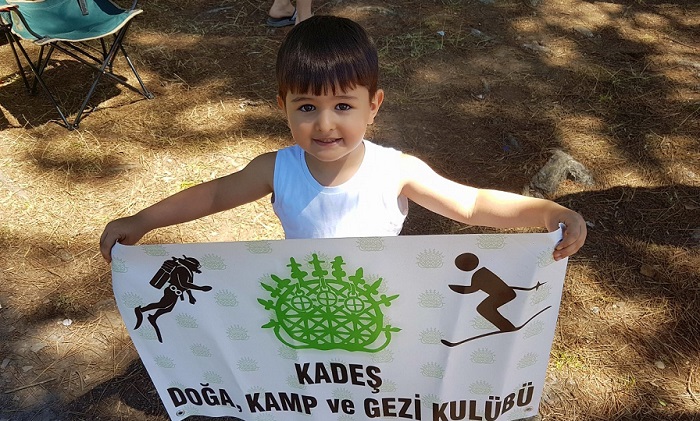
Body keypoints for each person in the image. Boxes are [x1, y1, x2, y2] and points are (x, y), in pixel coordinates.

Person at [100, 15, 587, 263]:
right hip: (306, 307)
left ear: (373, 106)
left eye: (343, 106)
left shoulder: (396, 171)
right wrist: (142, 221)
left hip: (379, 309)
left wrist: (550, 213)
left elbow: (472, 204)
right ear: (283, 107)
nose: (325, 125)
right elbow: (212, 195)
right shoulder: (276, 169)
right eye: (306, 108)